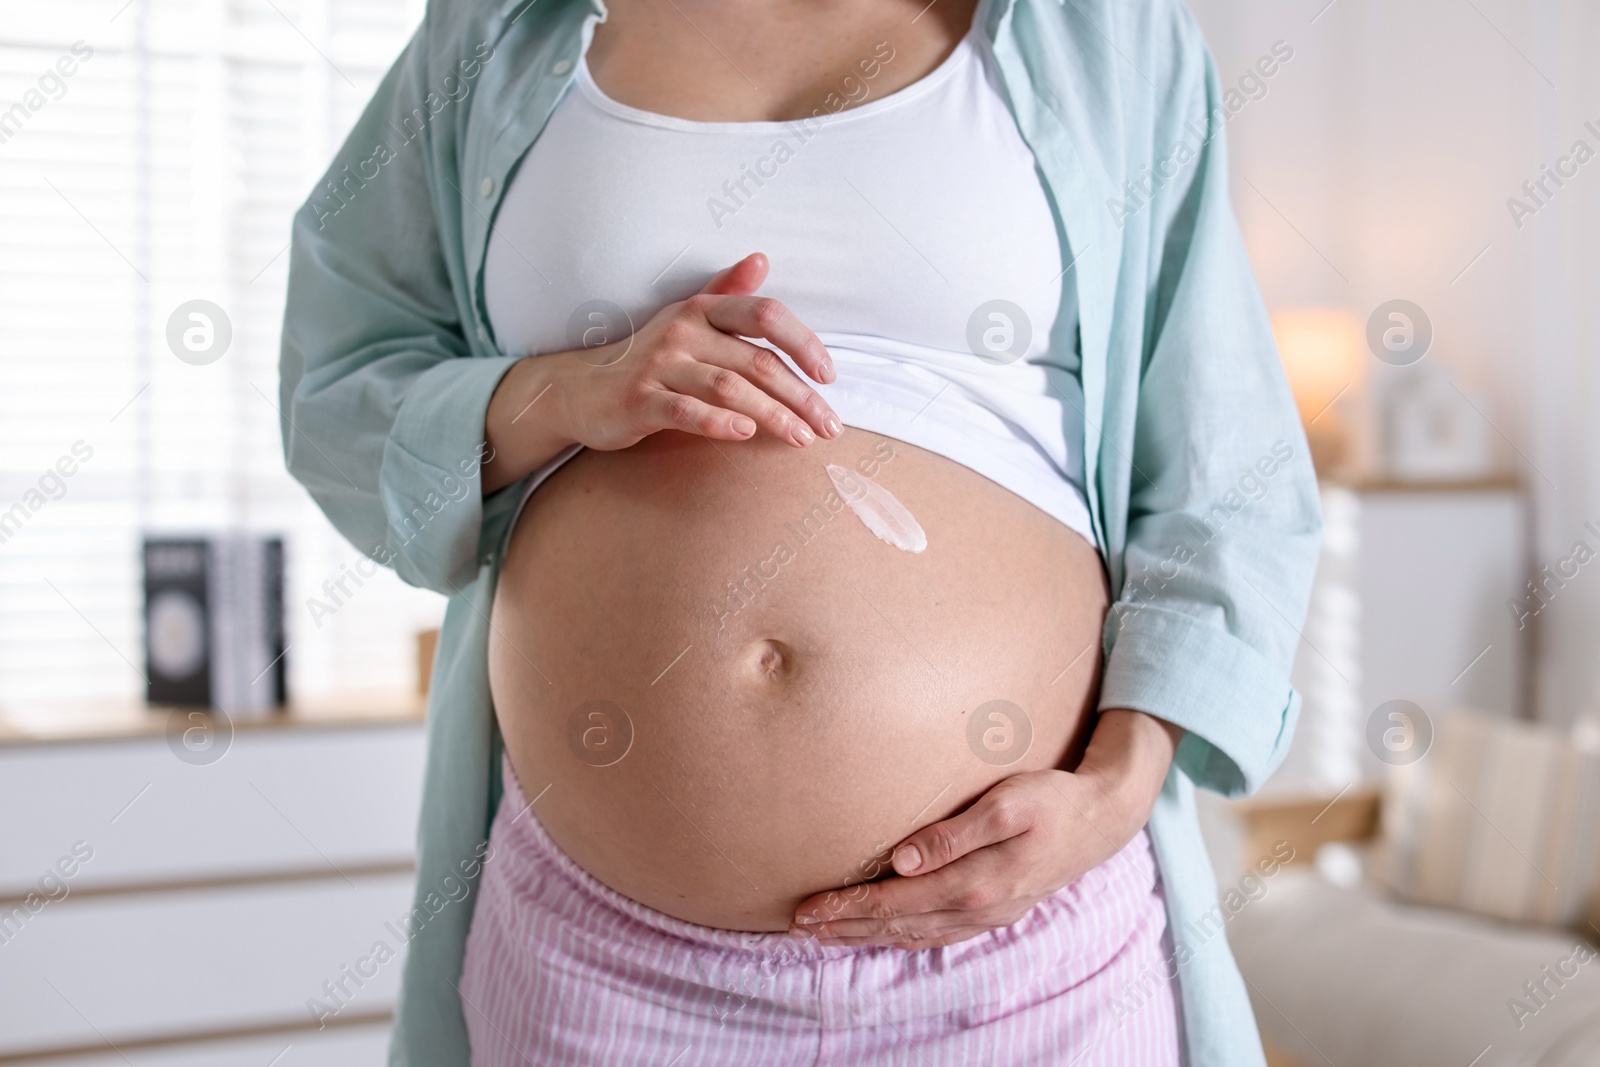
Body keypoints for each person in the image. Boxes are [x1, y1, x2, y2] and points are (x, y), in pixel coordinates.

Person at [279, 0, 1322, 1063]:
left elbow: (1227, 474)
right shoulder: (496, 33)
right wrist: (559, 393)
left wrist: (1115, 789)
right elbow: (336, 380)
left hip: (1016, 953)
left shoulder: (1107, 38)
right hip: (599, 971)